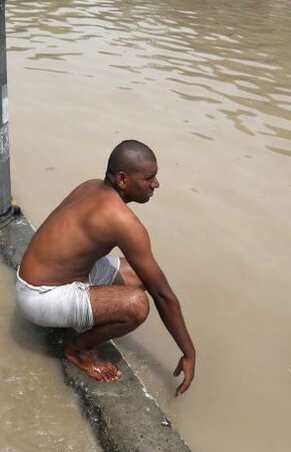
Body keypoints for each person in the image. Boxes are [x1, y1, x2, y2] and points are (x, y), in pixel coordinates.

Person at [16, 140, 196, 395]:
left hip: (48, 276)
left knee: (137, 275)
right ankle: (78, 349)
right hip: (39, 295)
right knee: (137, 304)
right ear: (122, 179)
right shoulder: (122, 221)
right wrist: (189, 353)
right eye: (149, 178)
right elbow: (163, 296)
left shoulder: (91, 186)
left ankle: (74, 319)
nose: (156, 184)